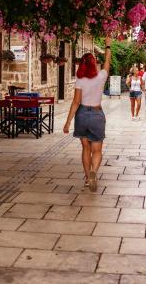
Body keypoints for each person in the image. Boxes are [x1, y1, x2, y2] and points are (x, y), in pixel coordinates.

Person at [63, 36, 111, 192]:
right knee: (97, 149)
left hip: (82, 114)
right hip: (97, 114)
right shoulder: (101, 76)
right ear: (93, 63)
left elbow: (76, 102)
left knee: (85, 149)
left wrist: (68, 122)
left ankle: (86, 178)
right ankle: (93, 173)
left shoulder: (80, 80)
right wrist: (108, 46)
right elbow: (107, 62)